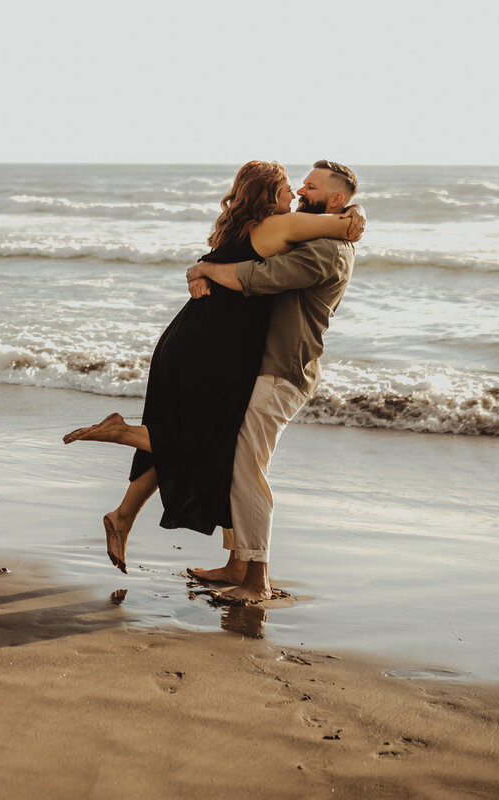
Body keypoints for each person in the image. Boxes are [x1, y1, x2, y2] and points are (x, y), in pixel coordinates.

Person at [63, 161, 363, 578]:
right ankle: (124, 435)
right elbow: (335, 231)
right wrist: (352, 216)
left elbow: (228, 262)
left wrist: (200, 269)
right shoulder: (280, 227)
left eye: (305, 187)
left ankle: (127, 516)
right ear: (266, 195)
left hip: (198, 341)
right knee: (214, 443)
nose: (295, 194)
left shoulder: (245, 226)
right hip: (212, 348)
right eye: (290, 188)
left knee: (215, 442)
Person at [184, 160, 360, 603]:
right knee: (238, 462)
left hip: (284, 371)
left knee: (248, 469)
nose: (302, 188)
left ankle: (256, 578)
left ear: (336, 200)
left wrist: (204, 269)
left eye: (312, 185)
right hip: (262, 366)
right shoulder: (318, 231)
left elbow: (258, 279)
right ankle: (236, 563)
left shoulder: (328, 249)